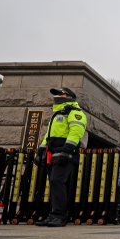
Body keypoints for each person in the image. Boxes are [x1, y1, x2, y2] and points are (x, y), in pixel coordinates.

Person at [34, 88, 87, 227]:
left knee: (56, 181)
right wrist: (40, 152)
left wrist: (66, 151)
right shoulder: (58, 113)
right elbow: (48, 136)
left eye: (60, 94)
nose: (57, 96)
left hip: (65, 153)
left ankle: (60, 216)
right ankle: (54, 215)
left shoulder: (75, 112)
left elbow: (76, 132)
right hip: (52, 153)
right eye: (56, 94)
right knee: (54, 183)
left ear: (69, 97)